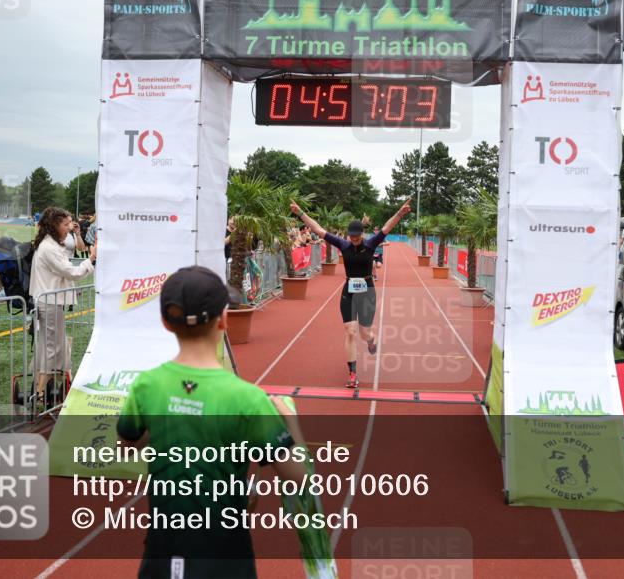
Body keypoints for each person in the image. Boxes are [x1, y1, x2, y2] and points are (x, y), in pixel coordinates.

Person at [117, 266, 307, 578]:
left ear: (166, 322)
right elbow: (298, 478)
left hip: (163, 553)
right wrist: (291, 424)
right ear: (224, 319)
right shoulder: (249, 399)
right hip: (226, 557)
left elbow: (127, 447)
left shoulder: (146, 386)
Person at [290, 199, 411, 388]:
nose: (354, 239)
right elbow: (319, 230)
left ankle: (371, 340)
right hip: (349, 291)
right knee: (350, 331)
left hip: (367, 292)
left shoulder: (371, 244)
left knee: (364, 333)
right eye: (351, 236)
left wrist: (400, 214)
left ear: (362, 234)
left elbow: (387, 227)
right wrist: (300, 213)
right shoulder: (343, 245)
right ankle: (353, 373)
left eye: (357, 236)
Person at [29, 207, 96, 400]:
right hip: (48, 301)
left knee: (51, 345)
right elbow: (71, 272)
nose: (69, 227)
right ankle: (40, 392)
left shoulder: (49, 245)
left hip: (49, 301)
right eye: (65, 224)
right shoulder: (49, 248)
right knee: (53, 347)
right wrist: (91, 259)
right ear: (54, 225)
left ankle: (42, 388)